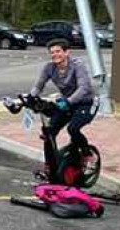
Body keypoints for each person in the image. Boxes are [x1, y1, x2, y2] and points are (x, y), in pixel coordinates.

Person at [29, 38, 97, 179]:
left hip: (86, 103)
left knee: (73, 129)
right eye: (52, 52)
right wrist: (29, 98)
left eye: (58, 51)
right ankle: (49, 168)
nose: (55, 55)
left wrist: (69, 101)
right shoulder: (49, 67)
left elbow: (84, 88)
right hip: (67, 103)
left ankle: (87, 154)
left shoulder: (77, 65)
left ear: (67, 52)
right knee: (49, 132)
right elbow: (39, 85)